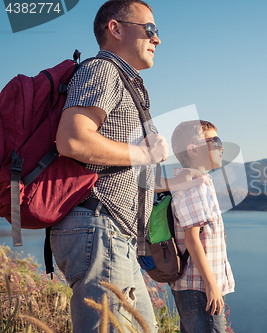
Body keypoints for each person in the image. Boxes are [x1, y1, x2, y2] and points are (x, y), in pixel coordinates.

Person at [52, 1, 201, 331]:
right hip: (100, 227)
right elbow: (73, 140)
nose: (157, 39)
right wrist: (145, 154)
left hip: (114, 233)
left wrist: (172, 180)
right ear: (115, 29)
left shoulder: (124, 80)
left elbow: (119, 165)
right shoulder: (102, 70)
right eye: (150, 29)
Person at [169, 120, 235, 333]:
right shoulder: (195, 186)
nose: (221, 146)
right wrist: (211, 285)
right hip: (200, 288)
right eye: (215, 141)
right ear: (193, 150)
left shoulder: (198, 182)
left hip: (195, 288)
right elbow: (192, 239)